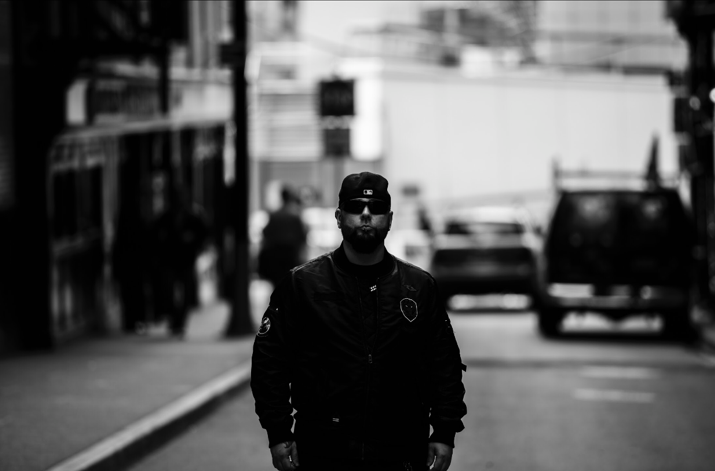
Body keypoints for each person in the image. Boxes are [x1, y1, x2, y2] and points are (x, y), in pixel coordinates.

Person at [251, 172, 467, 471]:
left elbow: (445, 364)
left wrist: (444, 431)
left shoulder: (419, 287)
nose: (366, 214)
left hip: (401, 451)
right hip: (323, 451)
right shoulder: (303, 285)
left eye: (376, 208)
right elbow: (269, 362)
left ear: (389, 219)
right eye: (355, 207)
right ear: (339, 217)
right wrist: (278, 433)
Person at [150, 186, 210, 338]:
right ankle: (174, 318)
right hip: (169, 260)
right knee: (168, 291)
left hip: (186, 259)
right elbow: (155, 236)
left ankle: (180, 321)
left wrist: (193, 242)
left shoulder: (193, 217)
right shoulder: (165, 217)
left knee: (186, 292)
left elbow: (203, 234)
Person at [112, 196, 151, 334]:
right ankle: (139, 321)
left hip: (127, 267)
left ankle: (129, 321)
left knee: (128, 295)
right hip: (136, 267)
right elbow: (146, 246)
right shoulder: (140, 224)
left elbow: (117, 249)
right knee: (138, 294)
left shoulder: (122, 228)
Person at [257, 185, 308, 288]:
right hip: (290, 254)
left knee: (277, 282)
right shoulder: (295, 215)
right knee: (289, 282)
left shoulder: (275, 215)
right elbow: (302, 236)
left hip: (276, 254)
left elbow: (266, 233)